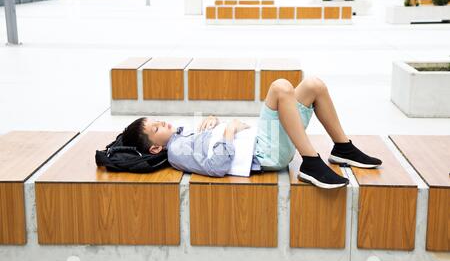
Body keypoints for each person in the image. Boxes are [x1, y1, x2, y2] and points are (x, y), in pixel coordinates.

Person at [121, 77, 382, 189]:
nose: (162, 124)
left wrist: (216, 121)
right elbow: (216, 166)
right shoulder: (177, 151)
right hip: (264, 153)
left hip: (261, 139)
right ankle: (311, 163)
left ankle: (342, 148)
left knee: (314, 85)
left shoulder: (181, 135)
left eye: (157, 121)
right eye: (156, 129)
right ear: (155, 148)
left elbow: (210, 142)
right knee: (280, 87)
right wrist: (229, 130)